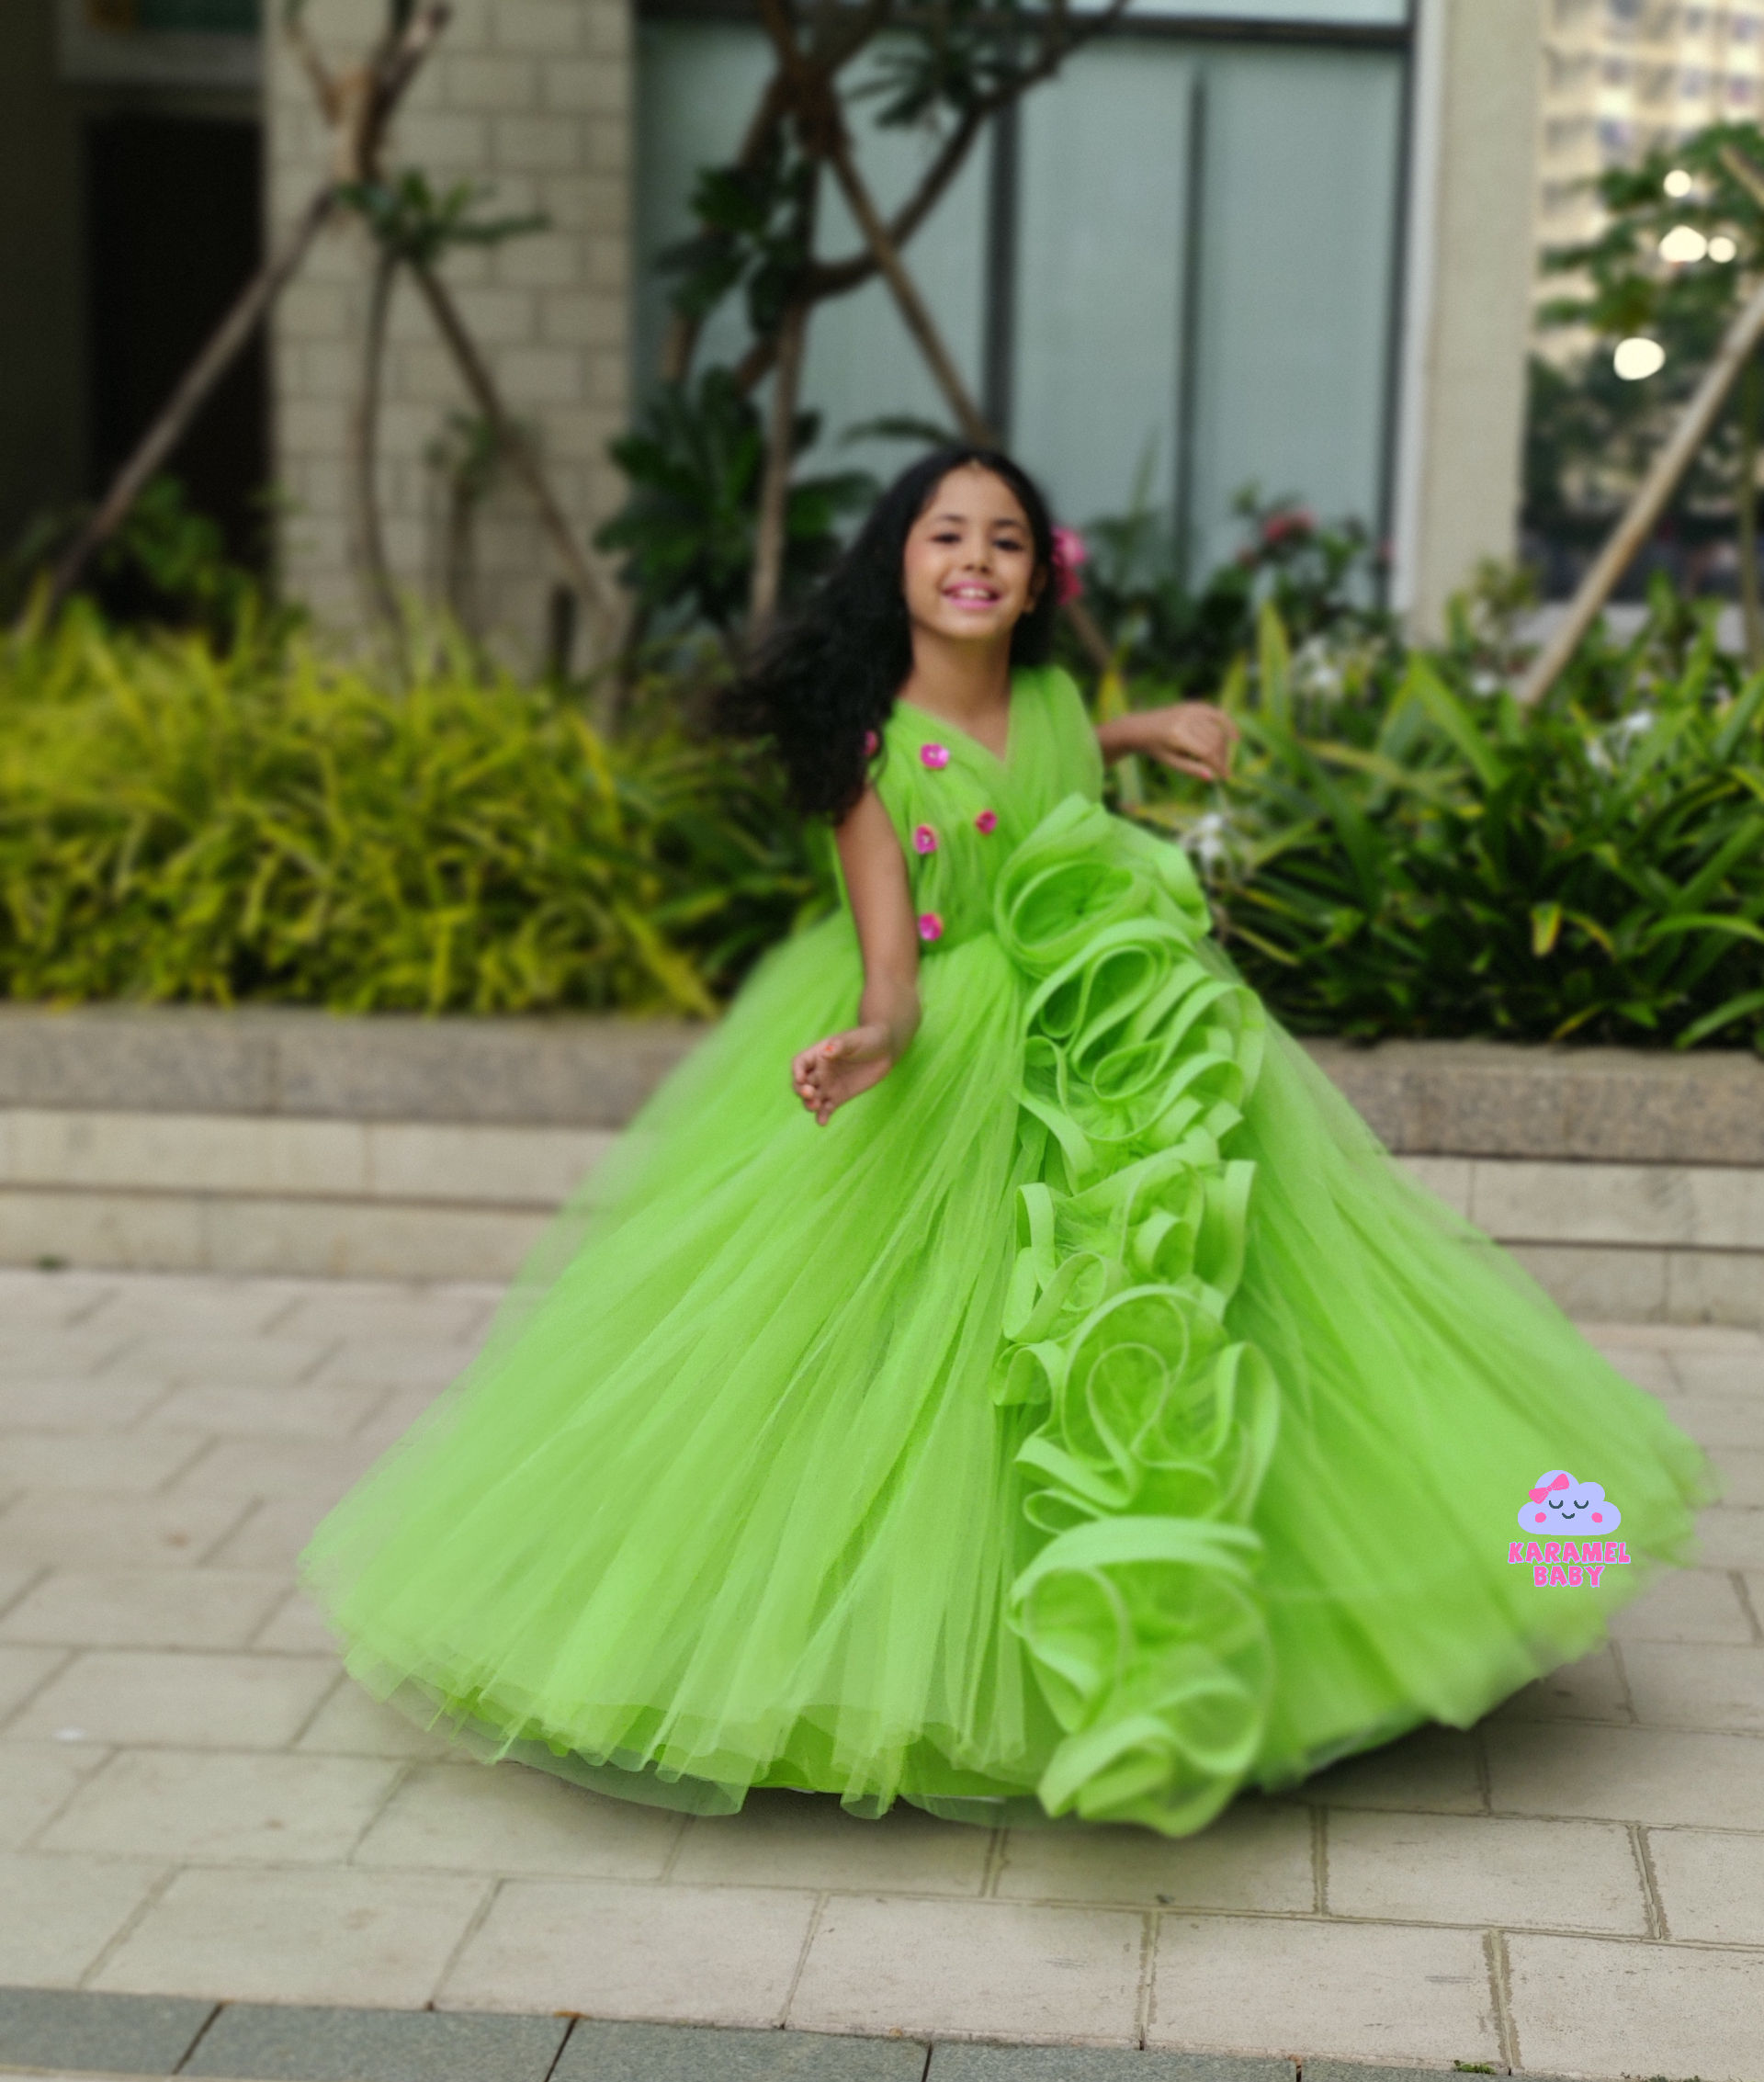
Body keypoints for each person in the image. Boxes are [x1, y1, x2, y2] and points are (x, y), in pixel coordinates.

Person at [300, 445, 1717, 1839]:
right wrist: (873, 1041)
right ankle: (911, 1660)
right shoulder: (866, 753)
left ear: (1040, 581)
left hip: (1122, 1033)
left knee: (1217, 1311)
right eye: (946, 535)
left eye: (1006, 540)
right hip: (961, 1056)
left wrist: (1137, 730)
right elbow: (894, 964)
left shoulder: (1049, 699)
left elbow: (1046, 762)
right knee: (945, 1357)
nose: (975, 560)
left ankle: (1448, 1570)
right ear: (897, 566)